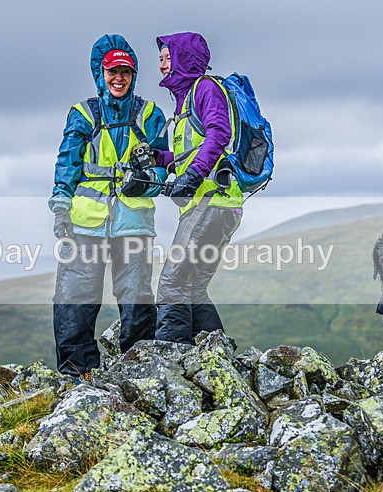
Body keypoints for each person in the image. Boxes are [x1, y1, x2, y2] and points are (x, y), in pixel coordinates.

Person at [49, 34, 168, 378]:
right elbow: (67, 163)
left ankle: (140, 370)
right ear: (100, 73)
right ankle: (77, 373)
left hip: (133, 222)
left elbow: (165, 160)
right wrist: (60, 207)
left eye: (126, 72)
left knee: (136, 296)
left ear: (134, 76)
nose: (119, 78)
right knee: (75, 297)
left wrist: (149, 175)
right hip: (85, 223)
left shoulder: (149, 114)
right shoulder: (83, 114)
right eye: (113, 71)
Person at [152, 32, 243, 345]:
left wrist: (192, 176)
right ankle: (216, 356)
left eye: (167, 58)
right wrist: (160, 158)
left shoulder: (205, 89)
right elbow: (188, 154)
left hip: (212, 202)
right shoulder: (184, 104)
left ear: (182, 58)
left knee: (172, 283)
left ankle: (170, 361)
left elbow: (219, 134)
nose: (162, 65)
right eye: (161, 59)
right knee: (193, 286)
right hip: (215, 204)